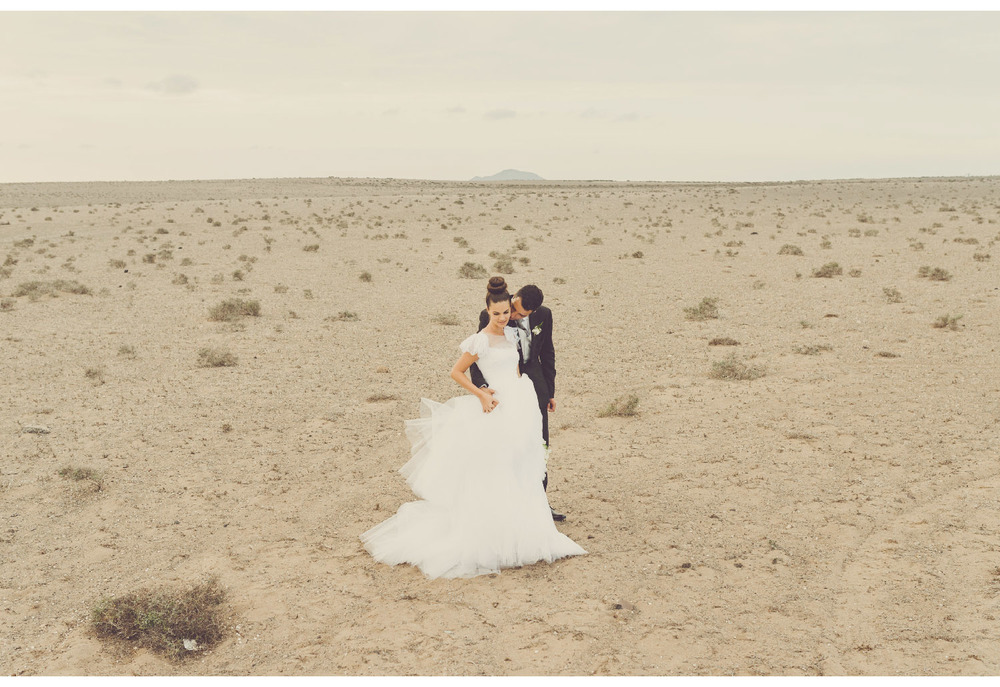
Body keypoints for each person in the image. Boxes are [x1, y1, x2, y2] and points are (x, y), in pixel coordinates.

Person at [360, 277, 585, 579]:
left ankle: (533, 520)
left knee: (529, 457)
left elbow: (536, 358)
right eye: (501, 313)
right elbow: (459, 370)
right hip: (497, 404)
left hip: (525, 400)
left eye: (510, 313)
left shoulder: (522, 329)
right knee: (498, 464)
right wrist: (481, 392)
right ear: (491, 310)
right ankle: (496, 532)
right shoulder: (481, 335)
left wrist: (542, 393)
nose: (507, 318)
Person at [470, 284, 565, 521]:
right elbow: (476, 357)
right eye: (515, 310)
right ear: (515, 297)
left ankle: (540, 503)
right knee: (507, 446)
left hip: (535, 388)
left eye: (521, 315)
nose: (513, 316)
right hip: (502, 389)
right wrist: (482, 389)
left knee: (538, 444)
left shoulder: (544, 315)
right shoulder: (493, 314)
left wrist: (550, 391)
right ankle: (507, 504)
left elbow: (548, 353)